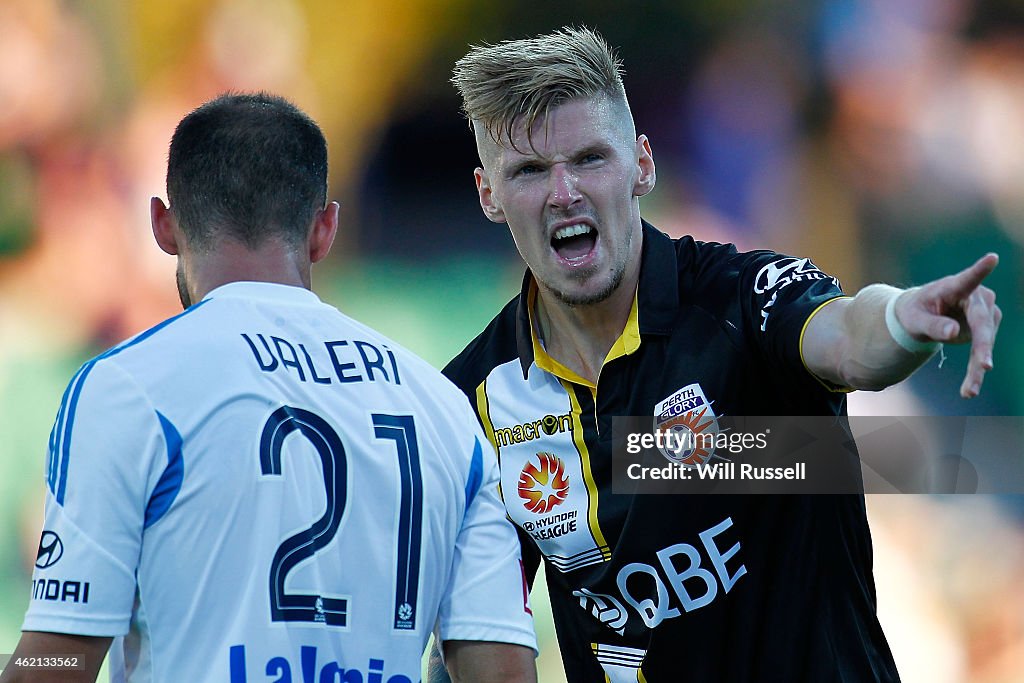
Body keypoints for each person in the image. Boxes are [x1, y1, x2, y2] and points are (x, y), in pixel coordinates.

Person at [430, 27, 1001, 682]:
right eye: (529, 170)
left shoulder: (740, 300)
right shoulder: (470, 403)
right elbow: (482, 640)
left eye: (590, 159)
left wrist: (903, 319)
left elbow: (846, 340)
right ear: (488, 195)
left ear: (642, 164)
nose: (565, 192)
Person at [1, 93, 537, 683]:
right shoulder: (442, 408)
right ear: (324, 229)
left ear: (162, 224)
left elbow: (54, 666)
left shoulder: (126, 387)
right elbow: (502, 673)